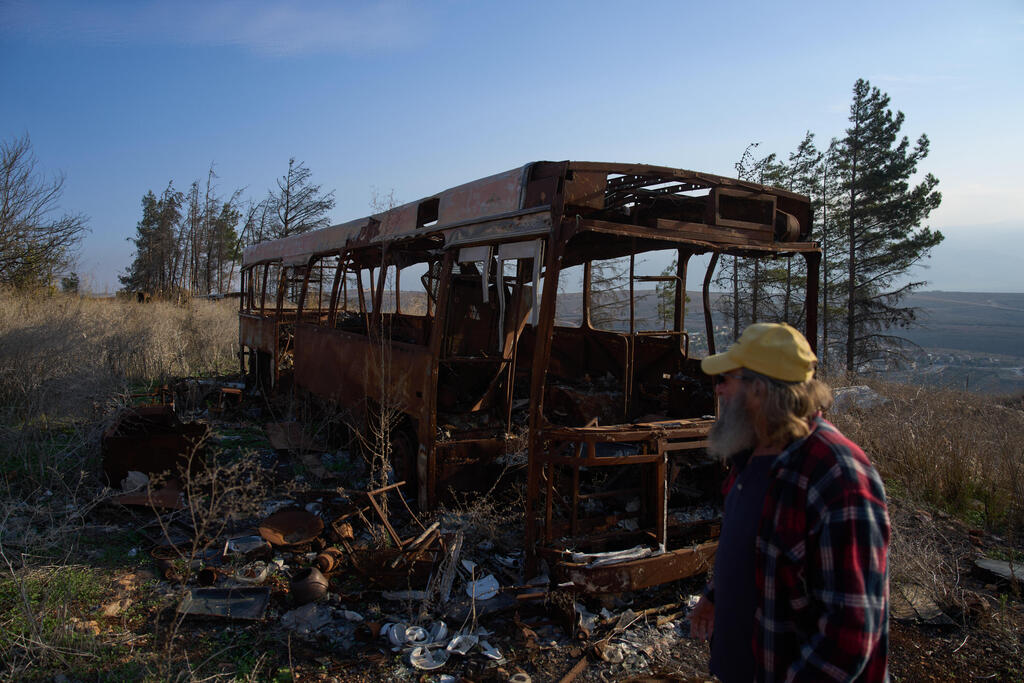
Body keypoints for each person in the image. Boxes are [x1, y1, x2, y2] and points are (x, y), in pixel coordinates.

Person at [689, 323, 890, 682]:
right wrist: (715, 596)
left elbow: (848, 636)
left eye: (727, 379)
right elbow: (757, 553)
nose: (718, 389)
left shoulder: (838, 478)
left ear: (760, 390)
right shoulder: (751, 454)